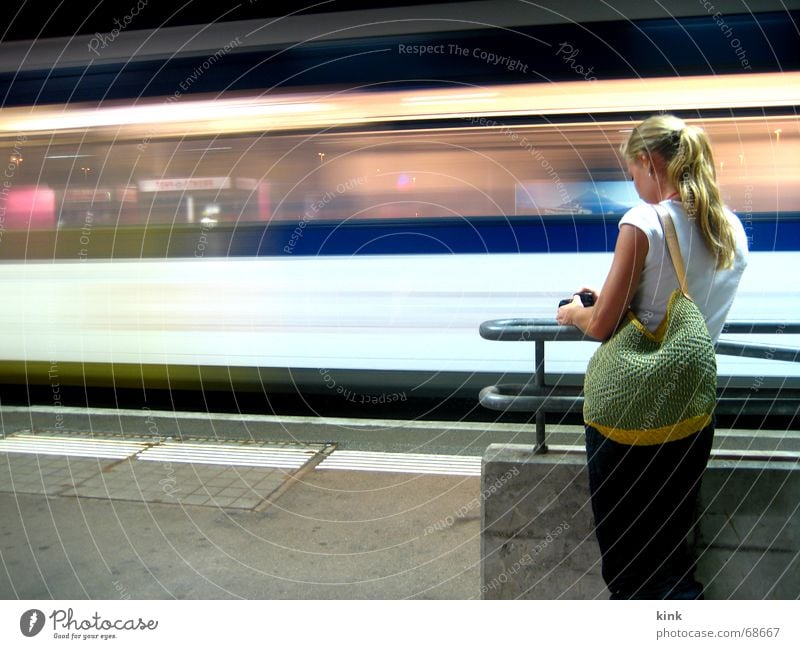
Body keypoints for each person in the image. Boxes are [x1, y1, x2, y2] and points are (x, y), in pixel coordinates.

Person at [556, 114, 748, 599]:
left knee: (629, 570)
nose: (634, 183)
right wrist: (613, 299)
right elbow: (676, 309)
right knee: (670, 555)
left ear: (648, 161)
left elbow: (602, 327)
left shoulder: (643, 222)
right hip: (690, 414)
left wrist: (577, 313)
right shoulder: (730, 228)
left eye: (633, 171)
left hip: (630, 416)